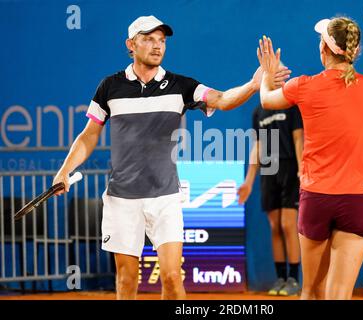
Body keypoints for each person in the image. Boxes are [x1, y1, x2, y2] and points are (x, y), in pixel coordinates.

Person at [52, 15, 291, 300]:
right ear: (131, 44)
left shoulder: (181, 86)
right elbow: (89, 135)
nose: (157, 46)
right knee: (127, 280)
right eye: (149, 39)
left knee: (171, 277)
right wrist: (65, 170)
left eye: (162, 40)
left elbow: (223, 99)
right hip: (121, 198)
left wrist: (253, 86)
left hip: (165, 197)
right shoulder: (109, 87)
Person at [257, 17, 363, 300]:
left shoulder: (303, 85)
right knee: (338, 294)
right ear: (353, 51)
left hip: (316, 199)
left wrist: (267, 75)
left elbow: (266, 100)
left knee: (311, 291)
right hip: (358, 201)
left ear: (324, 47)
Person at [238, 103, 303, 296]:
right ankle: (281, 278)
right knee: (275, 226)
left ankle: (294, 279)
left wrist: (302, 169)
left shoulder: (292, 107)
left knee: (288, 225)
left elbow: (299, 137)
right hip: (268, 170)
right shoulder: (258, 111)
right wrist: (249, 182)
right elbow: (258, 145)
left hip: (290, 168)